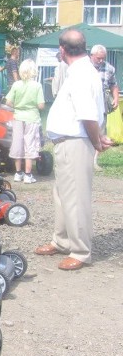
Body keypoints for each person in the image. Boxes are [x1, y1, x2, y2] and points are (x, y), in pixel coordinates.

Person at [34, 29, 113, 271]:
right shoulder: (81, 71)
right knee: (63, 195)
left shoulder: (80, 74)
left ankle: (80, 250)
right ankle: (62, 239)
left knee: (76, 198)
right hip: (67, 142)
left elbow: (88, 114)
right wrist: (97, 136)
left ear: (62, 49)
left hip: (75, 142)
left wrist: (96, 140)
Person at [5, 59, 45, 184]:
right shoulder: (37, 86)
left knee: (18, 143)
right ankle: (28, 174)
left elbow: (8, 102)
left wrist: (18, 106)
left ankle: (18, 173)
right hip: (32, 118)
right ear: (34, 71)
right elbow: (41, 105)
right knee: (30, 144)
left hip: (18, 117)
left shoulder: (16, 85)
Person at [90, 44, 119, 169]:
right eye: (98, 58)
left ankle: (94, 161)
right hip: (86, 102)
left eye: (103, 58)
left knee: (100, 132)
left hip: (101, 104)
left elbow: (114, 84)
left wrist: (116, 98)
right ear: (91, 56)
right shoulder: (84, 67)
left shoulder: (109, 68)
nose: (101, 61)